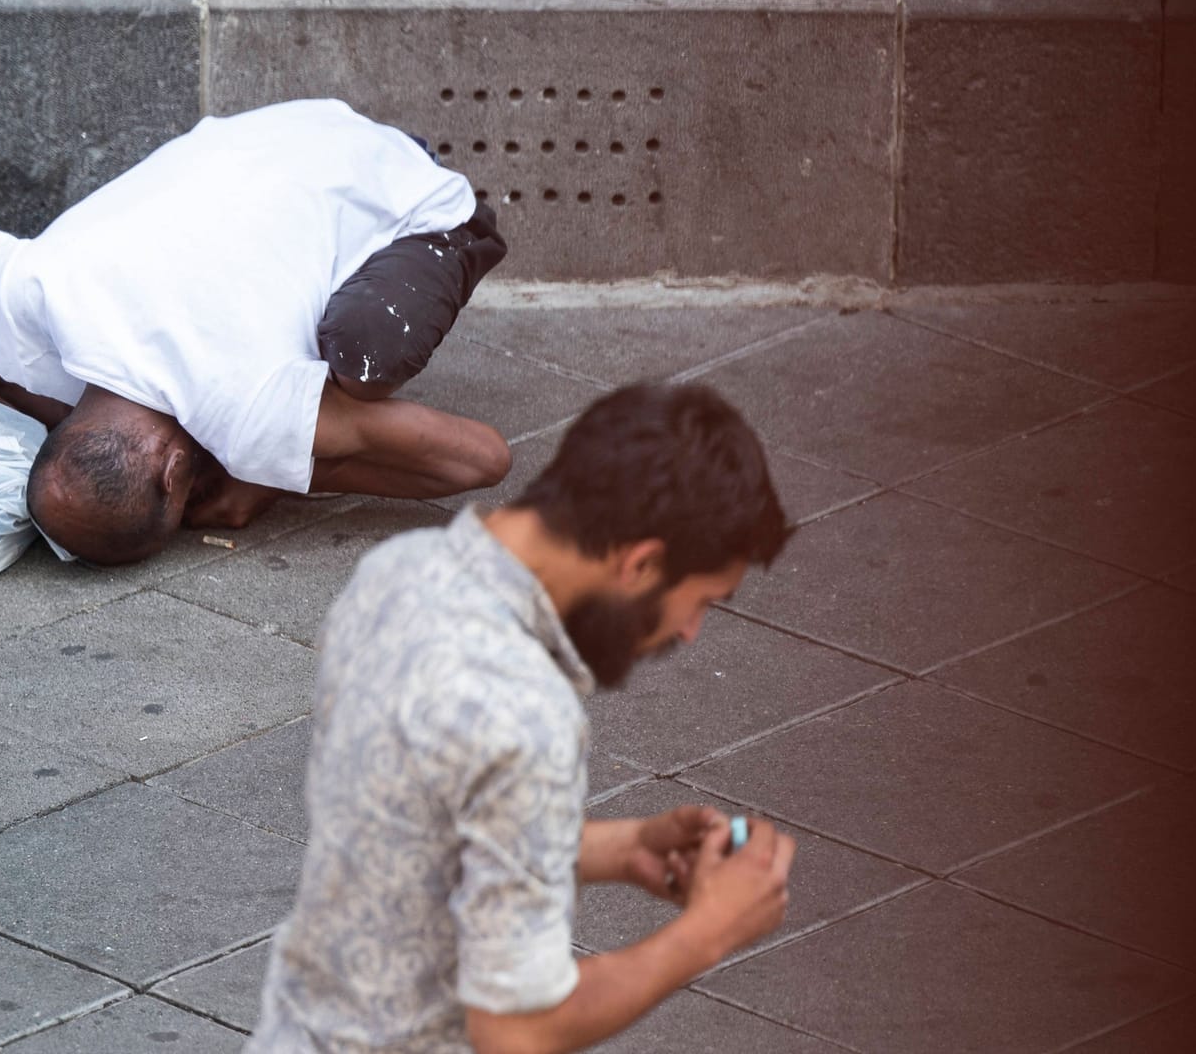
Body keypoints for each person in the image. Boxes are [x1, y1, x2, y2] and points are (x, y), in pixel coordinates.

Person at [249, 383, 799, 1054]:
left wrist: (623, 850)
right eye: (700, 601)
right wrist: (710, 930)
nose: (689, 632)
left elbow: (419, 837)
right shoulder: (524, 714)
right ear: (643, 563)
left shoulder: (396, 572)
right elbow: (516, 1031)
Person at [0, 99, 511, 565]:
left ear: (174, 471)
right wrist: (274, 473)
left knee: (365, 359)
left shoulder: (245, 407)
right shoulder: (31, 292)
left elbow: (483, 460)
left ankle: (456, 227)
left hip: (396, 179)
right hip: (274, 132)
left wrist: (267, 476)